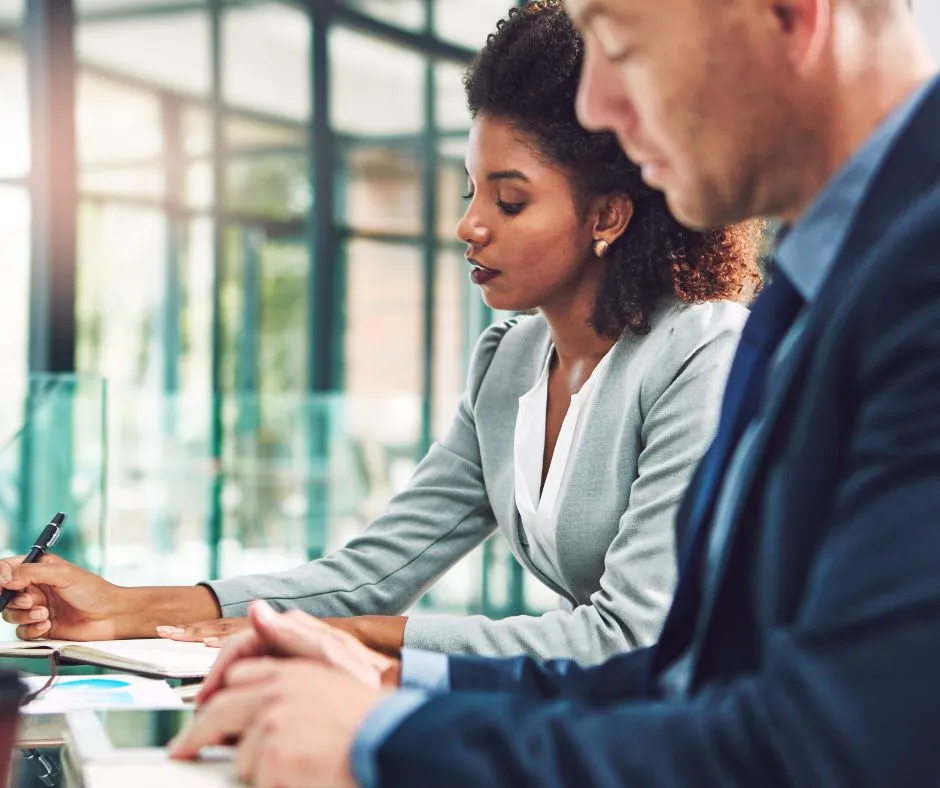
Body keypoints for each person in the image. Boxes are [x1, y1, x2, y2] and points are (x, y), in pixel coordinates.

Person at [165, 0, 940, 785]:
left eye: (622, 42)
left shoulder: (906, 288)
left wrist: (385, 739)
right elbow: (694, 677)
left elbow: (829, 746)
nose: (597, 104)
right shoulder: (824, 286)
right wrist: (399, 681)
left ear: (787, 13)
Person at [0, 3, 761, 666]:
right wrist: (122, 607)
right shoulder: (511, 364)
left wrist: (367, 638)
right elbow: (371, 572)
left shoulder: (701, 355)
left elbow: (629, 637)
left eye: (510, 200)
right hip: (589, 726)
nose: (468, 225)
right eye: (471, 191)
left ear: (607, 215)